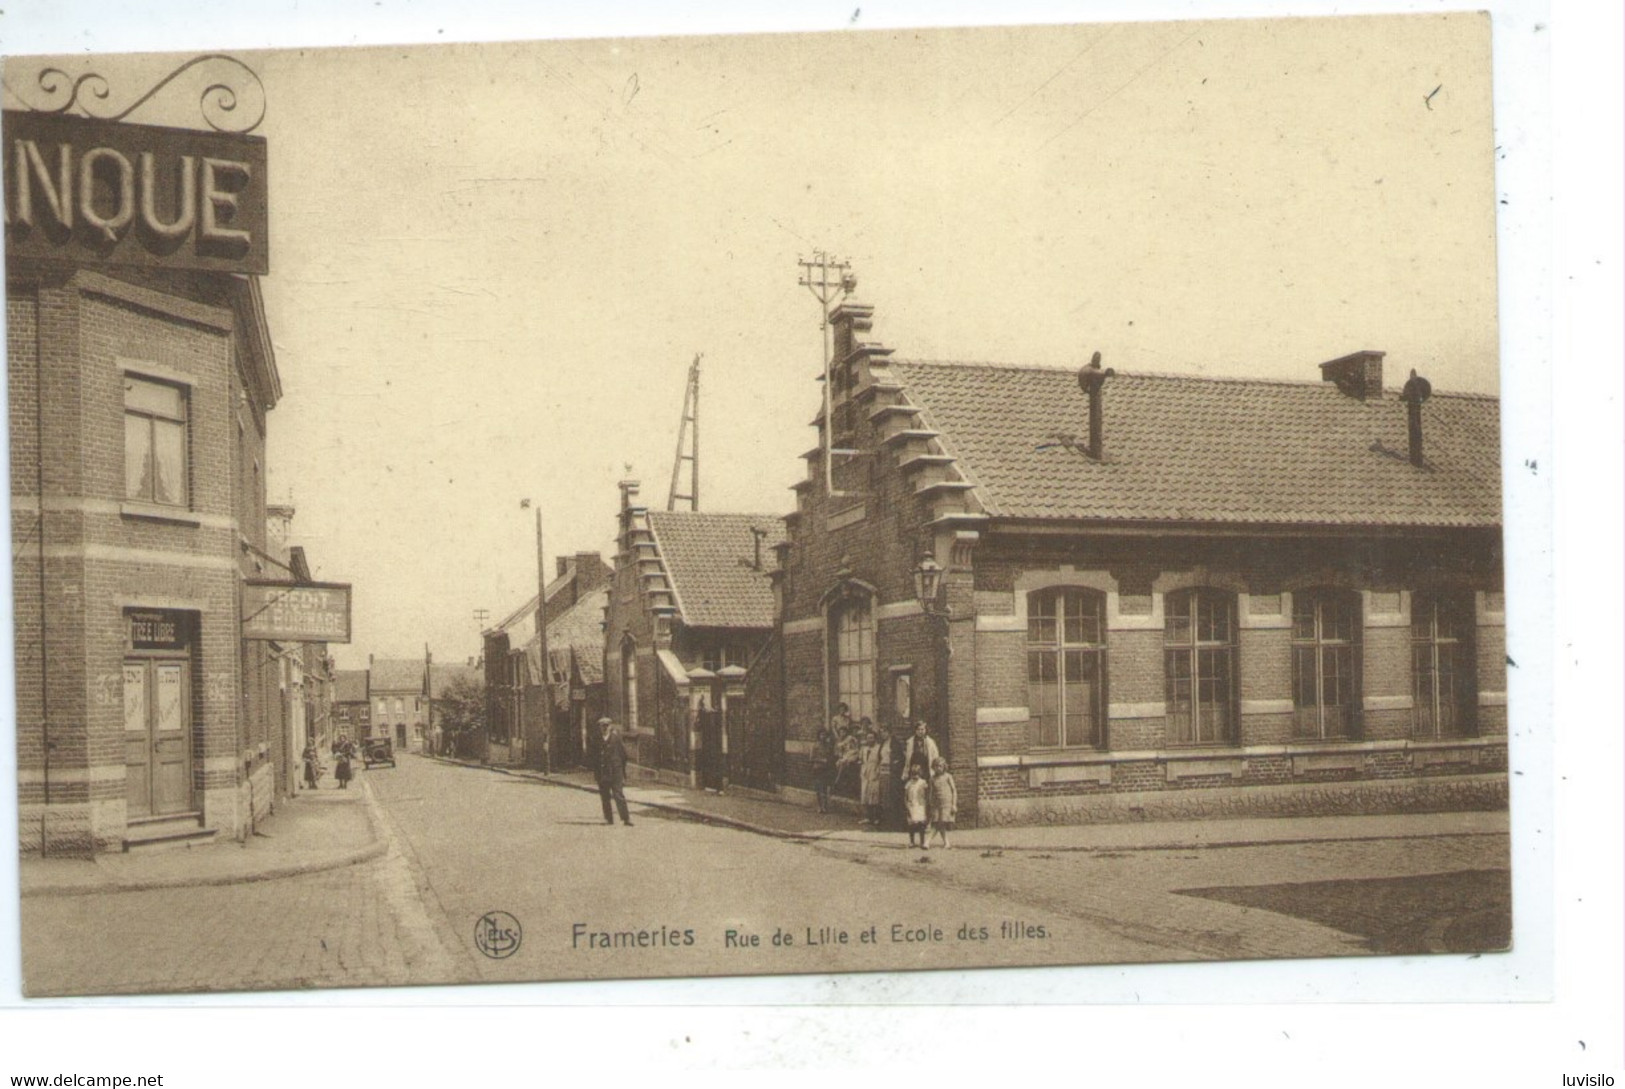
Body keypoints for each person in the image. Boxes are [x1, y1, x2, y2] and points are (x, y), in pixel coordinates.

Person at [596, 717, 633, 826]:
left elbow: (624, 756)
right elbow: (593, 757)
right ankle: (608, 819)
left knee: (619, 795)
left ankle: (626, 819)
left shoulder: (616, 739)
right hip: (602, 773)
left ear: (610, 726)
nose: (604, 728)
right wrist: (596, 773)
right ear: (599, 727)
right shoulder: (596, 739)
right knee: (605, 796)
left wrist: (622, 772)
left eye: (606, 726)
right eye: (602, 726)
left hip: (615, 772)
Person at [928, 758, 958, 849]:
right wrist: (930, 803)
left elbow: (954, 790)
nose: (938, 768)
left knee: (940, 823)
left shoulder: (948, 777)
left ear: (944, 767)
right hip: (937, 803)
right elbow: (931, 792)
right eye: (936, 766)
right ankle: (946, 843)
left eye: (940, 766)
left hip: (946, 803)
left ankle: (927, 841)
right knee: (937, 822)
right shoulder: (932, 779)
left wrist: (954, 804)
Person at [859, 727, 884, 826]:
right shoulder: (864, 749)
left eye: (872, 738)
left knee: (875, 796)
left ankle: (876, 818)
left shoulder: (879, 748)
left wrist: (877, 772)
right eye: (868, 738)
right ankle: (867, 817)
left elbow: (881, 761)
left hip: (875, 772)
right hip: (865, 773)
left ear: (875, 739)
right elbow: (861, 760)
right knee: (865, 796)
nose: (870, 740)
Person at [810, 723, 837, 814]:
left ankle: (825, 806)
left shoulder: (828, 746)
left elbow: (831, 756)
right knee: (818, 788)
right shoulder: (815, 746)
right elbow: (812, 758)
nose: (823, 737)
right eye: (821, 735)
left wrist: (829, 760)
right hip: (817, 768)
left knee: (824, 788)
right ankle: (819, 806)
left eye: (825, 735)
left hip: (826, 769)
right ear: (819, 736)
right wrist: (821, 760)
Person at [903, 766, 930, 850]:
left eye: (917, 774)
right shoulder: (909, 783)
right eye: (913, 774)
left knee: (921, 824)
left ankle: (922, 842)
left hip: (921, 805)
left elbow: (927, 794)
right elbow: (905, 795)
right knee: (912, 824)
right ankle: (912, 841)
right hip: (912, 805)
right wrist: (907, 804)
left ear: (920, 774)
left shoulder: (923, 783)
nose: (915, 776)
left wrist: (927, 804)